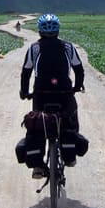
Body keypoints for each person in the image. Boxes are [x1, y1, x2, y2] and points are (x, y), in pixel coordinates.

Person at [20, 13, 85, 178]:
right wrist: (76, 87)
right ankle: (70, 158)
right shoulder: (69, 47)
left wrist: (24, 92)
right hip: (64, 92)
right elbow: (79, 69)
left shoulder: (34, 48)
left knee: (37, 125)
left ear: (39, 31)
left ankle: (37, 166)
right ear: (58, 31)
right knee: (70, 119)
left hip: (41, 94)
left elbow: (26, 72)